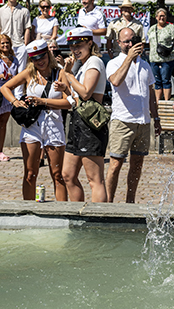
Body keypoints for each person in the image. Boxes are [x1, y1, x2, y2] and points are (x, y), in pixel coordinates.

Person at [0, 40, 72, 201]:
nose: (40, 61)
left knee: (57, 174)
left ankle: (62, 213)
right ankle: (28, 211)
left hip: (54, 125)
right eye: (35, 58)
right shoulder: (29, 72)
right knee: (30, 173)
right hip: (32, 127)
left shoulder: (59, 73)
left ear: (48, 54)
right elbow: (5, 87)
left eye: (42, 56)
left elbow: (68, 103)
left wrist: (43, 102)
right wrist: (14, 101)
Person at [105, 28, 160, 203]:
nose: (130, 44)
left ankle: (130, 201)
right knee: (115, 165)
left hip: (143, 121)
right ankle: (109, 203)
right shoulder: (114, 63)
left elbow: (151, 94)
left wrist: (156, 118)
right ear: (119, 43)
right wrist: (129, 58)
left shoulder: (145, 65)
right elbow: (115, 81)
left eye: (133, 41)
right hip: (123, 121)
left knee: (137, 165)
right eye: (126, 41)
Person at [61, 28, 109, 203]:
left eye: (79, 45)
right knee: (67, 174)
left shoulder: (94, 61)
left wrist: (69, 75)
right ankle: (77, 216)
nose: (75, 49)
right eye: (72, 46)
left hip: (91, 123)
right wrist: (66, 80)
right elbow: (76, 97)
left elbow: (87, 93)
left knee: (94, 179)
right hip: (77, 121)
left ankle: (98, 221)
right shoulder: (82, 64)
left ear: (90, 43)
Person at [148, 8, 174, 102]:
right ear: (156, 17)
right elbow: (151, 42)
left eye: (163, 16)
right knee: (157, 81)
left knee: (166, 80)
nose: (161, 18)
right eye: (160, 16)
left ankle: (166, 101)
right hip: (154, 59)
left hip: (167, 59)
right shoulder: (152, 29)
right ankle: (157, 102)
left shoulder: (171, 27)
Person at [0, 0, 31, 70]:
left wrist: (25, 45)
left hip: (19, 44)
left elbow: (27, 29)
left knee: (20, 70)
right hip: (5, 45)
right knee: (5, 69)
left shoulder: (24, 11)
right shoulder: (1, 11)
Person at [0, 34, 18, 162]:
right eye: (2, 43)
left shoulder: (14, 59)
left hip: (8, 94)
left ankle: (0, 151)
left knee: (3, 124)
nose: (5, 45)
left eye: (7, 43)